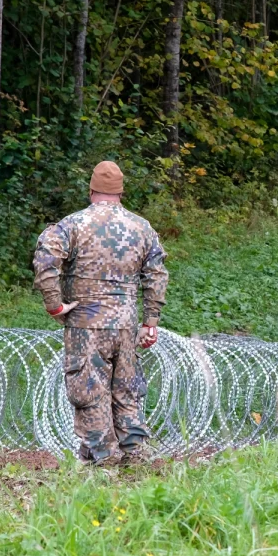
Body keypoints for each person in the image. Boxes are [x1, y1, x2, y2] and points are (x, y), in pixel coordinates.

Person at [32, 161, 169, 467]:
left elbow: (45, 261)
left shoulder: (72, 225)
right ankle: (136, 458)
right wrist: (150, 322)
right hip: (126, 326)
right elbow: (157, 274)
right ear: (120, 191)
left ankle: (103, 460)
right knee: (127, 392)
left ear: (91, 189)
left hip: (86, 324)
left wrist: (55, 304)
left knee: (89, 391)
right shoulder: (142, 227)